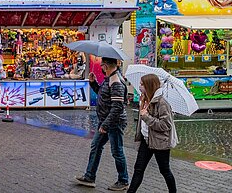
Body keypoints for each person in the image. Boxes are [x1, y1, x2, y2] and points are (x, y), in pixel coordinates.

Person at [75, 57, 129, 191]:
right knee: (96, 146)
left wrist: (105, 125)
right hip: (106, 121)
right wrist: (94, 84)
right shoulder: (109, 79)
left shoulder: (116, 81)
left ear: (105, 66)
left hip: (113, 123)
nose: (101, 68)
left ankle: (123, 180)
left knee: (117, 151)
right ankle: (89, 176)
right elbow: (103, 95)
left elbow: (117, 107)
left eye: (102, 65)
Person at [127, 74, 177, 193]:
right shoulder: (145, 100)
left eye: (142, 84)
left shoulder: (162, 103)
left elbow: (165, 125)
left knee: (164, 170)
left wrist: (146, 117)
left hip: (160, 142)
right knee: (138, 169)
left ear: (148, 86)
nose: (139, 86)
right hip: (146, 140)